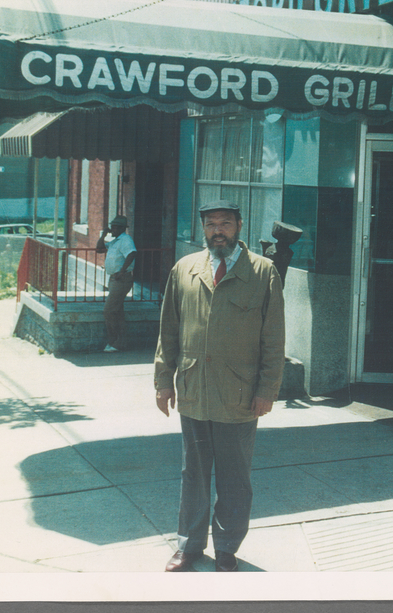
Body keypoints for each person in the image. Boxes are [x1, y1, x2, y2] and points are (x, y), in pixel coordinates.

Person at [154, 200, 285, 572]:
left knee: (234, 477)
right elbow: (169, 331)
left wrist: (267, 389)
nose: (218, 231)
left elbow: (274, 339)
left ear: (240, 226)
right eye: (211, 224)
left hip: (239, 395)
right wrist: (164, 382)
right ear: (203, 229)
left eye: (225, 223)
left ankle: (226, 547)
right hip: (194, 390)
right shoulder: (184, 269)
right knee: (193, 474)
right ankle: (189, 546)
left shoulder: (263, 272)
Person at [95, 215, 137, 352]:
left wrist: (121, 271)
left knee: (109, 310)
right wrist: (104, 235)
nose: (112, 229)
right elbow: (99, 249)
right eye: (112, 226)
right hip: (113, 279)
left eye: (114, 227)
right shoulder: (115, 241)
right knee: (117, 311)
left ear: (121, 228)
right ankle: (120, 342)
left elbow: (132, 254)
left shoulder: (125, 240)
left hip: (121, 279)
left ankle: (114, 342)